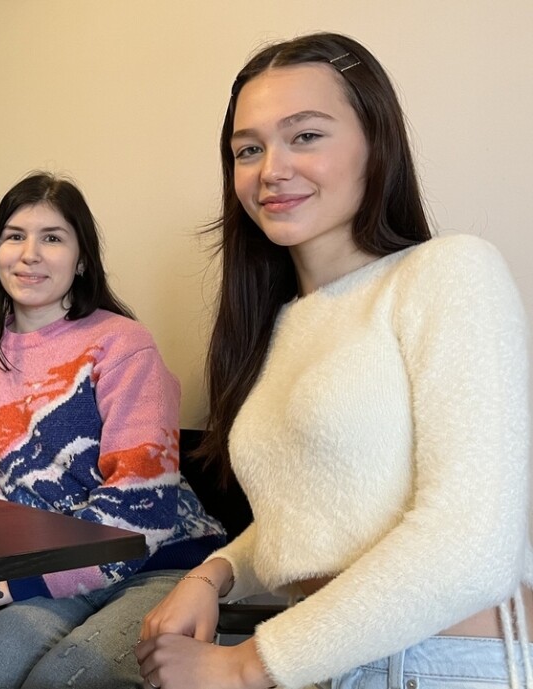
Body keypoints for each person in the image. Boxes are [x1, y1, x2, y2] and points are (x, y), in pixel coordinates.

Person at [135, 33, 531, 689]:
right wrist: (215, 573)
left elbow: (472, 544)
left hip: (441, 664)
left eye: (306, 136)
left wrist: (244, 666)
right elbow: (315, 523)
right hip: (321, 655)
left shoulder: (449, 272)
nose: (272, 169)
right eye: (248, 149)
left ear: (376, 142)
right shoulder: (281, 324)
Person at [0, 172, 226, 689]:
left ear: (81, 260)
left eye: (52, 238)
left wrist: (23, 582)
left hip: (157, 560)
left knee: (64, 680)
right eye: (14, 236)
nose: (29, 254)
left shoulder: (121, 344)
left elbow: (141, 505)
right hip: (47, 566)